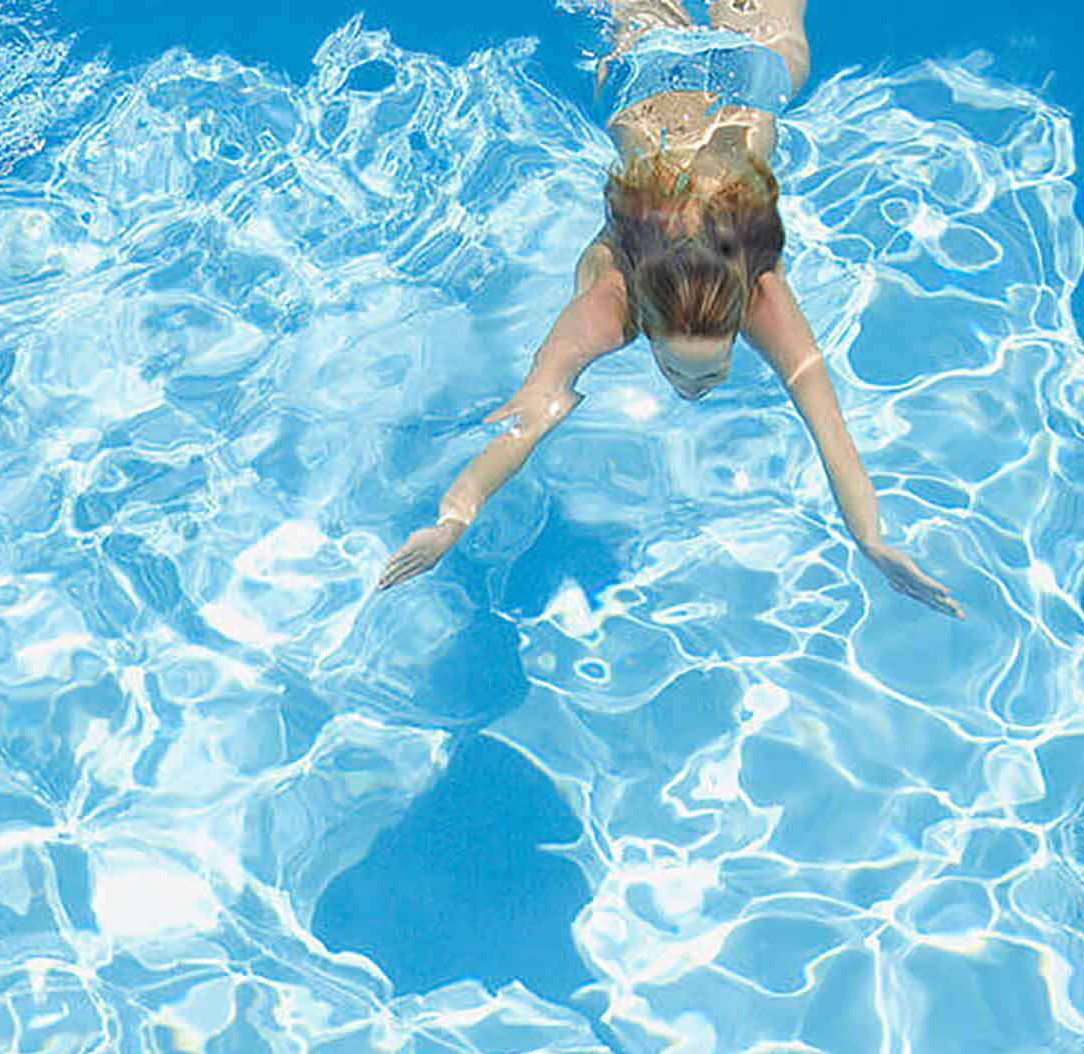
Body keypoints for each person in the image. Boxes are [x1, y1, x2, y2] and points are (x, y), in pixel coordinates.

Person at [379, 0, 960, 615]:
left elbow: (832, 437)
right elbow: (532, 415)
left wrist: (871, 541)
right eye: (689, 372)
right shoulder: (608, 303)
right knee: (780, 59)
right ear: (644, 328)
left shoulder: (759, 297)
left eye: (704, 371)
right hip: (740, 88)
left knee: (655, 35)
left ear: (739, 322)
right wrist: (452, 520)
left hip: (647, 85)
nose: (696, 387)